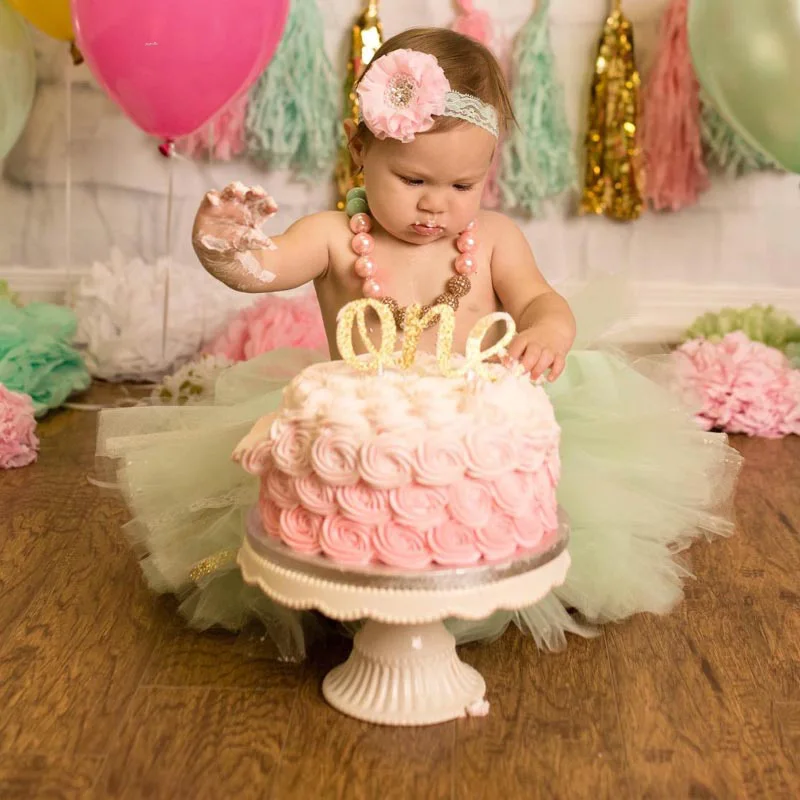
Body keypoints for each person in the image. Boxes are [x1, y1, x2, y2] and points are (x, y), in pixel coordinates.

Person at [97, 28, 741, 661]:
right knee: (328, 519)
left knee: (523, 511)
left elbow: (540, 301)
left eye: (462, 187)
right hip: (363, 434)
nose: (436, 205)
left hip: (480, 427)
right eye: (412, 180)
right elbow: (261, 269)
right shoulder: (332, 236)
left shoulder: (494, 239)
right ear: (360, 149)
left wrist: (548, 331)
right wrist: (224, 244)